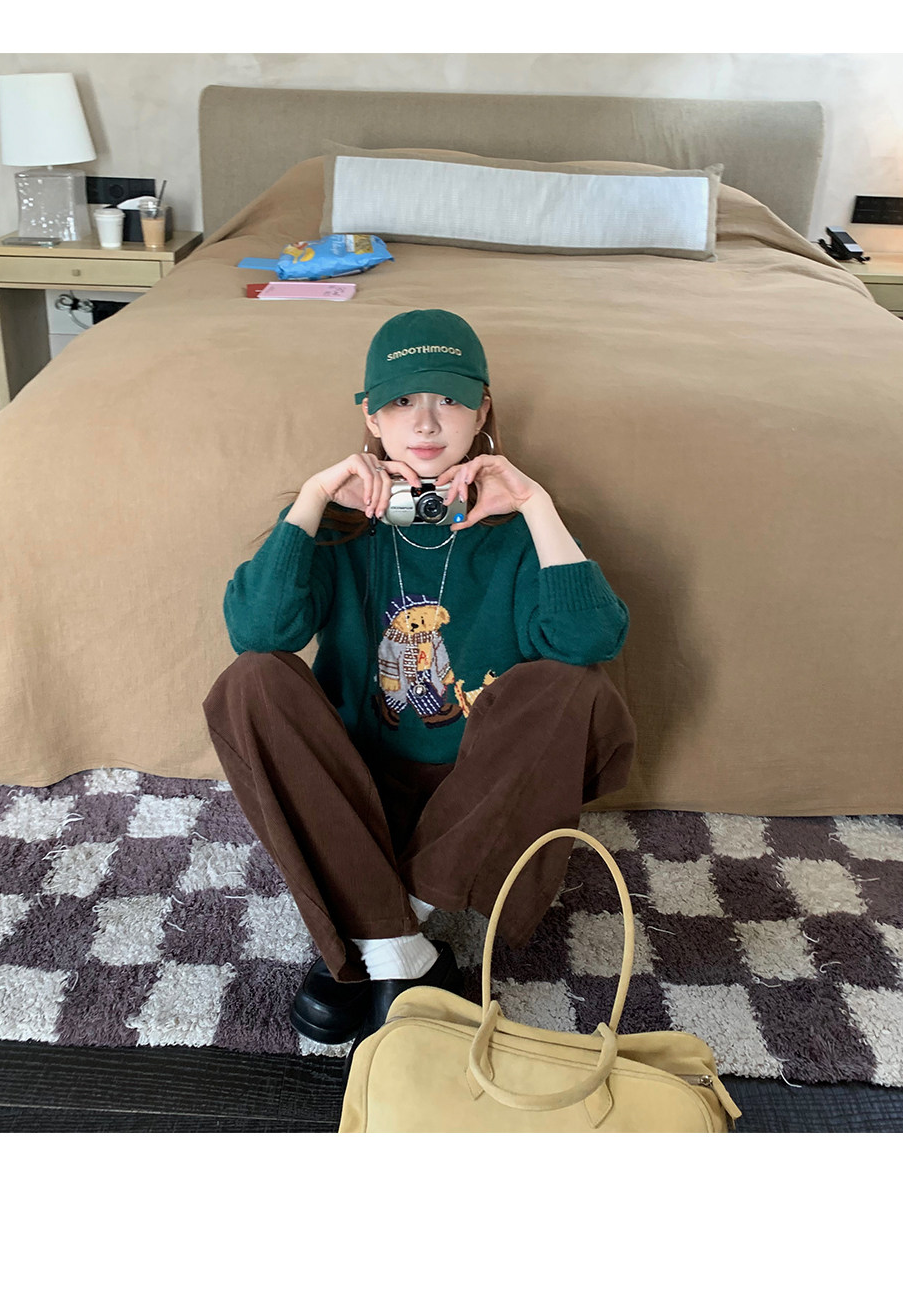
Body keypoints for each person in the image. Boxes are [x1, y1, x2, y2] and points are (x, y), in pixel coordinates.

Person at [202, 308, 637, 1050]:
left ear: (482, 412)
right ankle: (404, 954)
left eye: (450, 400)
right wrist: (312, 500)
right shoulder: (337, 525)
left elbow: (592, 640)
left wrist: (536, 506)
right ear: (371, 417)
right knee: (249, 682)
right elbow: (259, 632)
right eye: (402, 401)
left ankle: (382, 929)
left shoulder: (519, 527)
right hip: (358, 780)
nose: (427, 422)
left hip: (480, 787)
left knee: (576, 687)